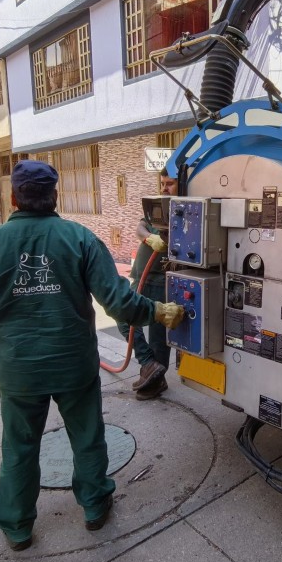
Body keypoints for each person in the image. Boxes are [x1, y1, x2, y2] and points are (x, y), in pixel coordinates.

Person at [0, 161, 184, 552]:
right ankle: (95, 506)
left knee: (19, 447)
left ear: (14, 197)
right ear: (54, 196)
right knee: (87, 437)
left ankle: (16, 526)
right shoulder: (79, 239)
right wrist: (156, 312)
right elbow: (119, 301)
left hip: (20, 371)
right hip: (73, 365)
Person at [117, 168, 177, 400]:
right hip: (142, 275)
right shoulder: (157, 205)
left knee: (159, 334)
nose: (164, 187)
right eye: (163, 182)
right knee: (123, 315)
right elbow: (140, 227)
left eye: (170, 183)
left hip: (164, 281)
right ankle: (147, 362)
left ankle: (157, 380)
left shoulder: (186, 210)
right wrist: (148, 237)